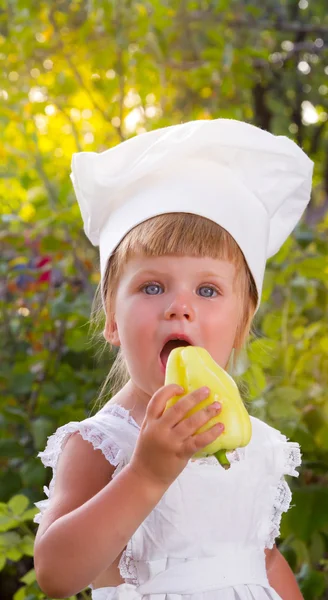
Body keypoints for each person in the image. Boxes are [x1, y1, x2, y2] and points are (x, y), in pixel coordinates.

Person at [33, 119, 313, 600]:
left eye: (207, 290)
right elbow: (56, 575)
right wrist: (146, 475)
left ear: (241, 328)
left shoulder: (254, 442)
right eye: (152, 286)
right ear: (113, 321)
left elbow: (261, 558)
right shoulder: (104, 443)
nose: (179, 306)